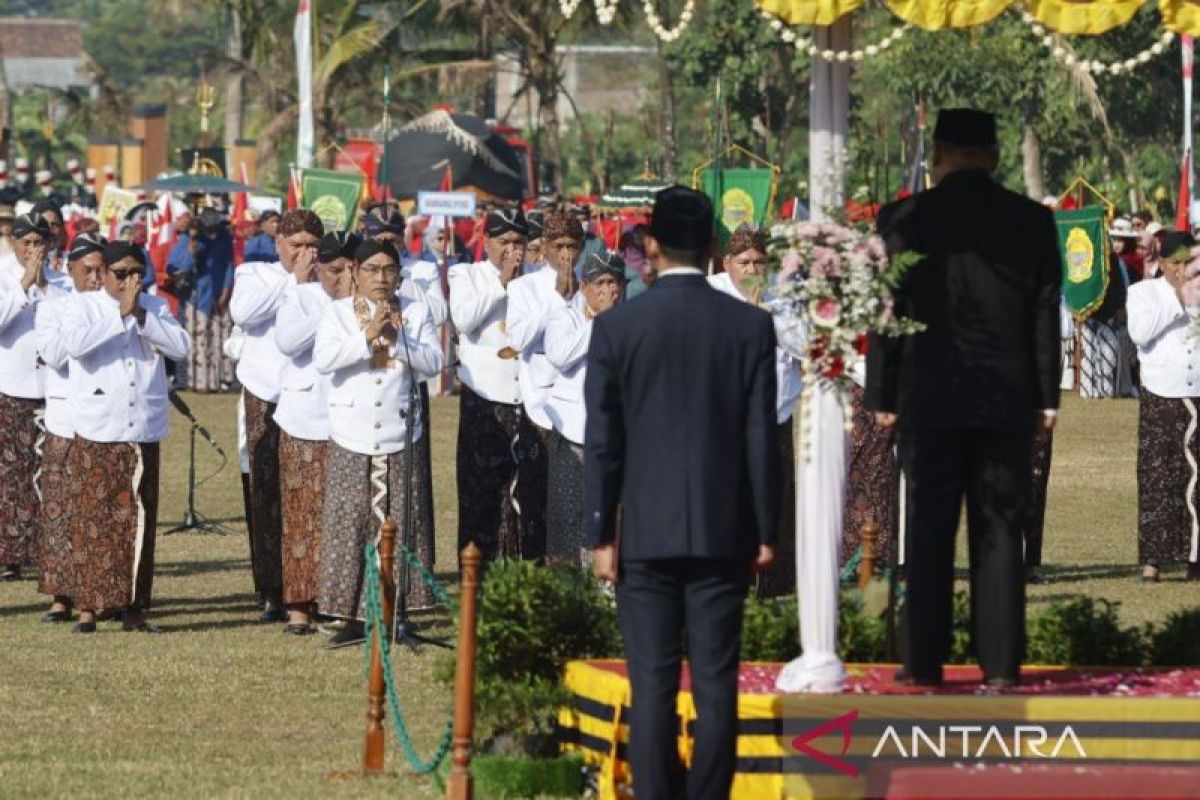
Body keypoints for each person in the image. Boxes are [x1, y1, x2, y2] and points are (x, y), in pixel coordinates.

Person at [584, 187, 779, 800]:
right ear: (716, 249)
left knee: (653, 686)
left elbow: (604, 442)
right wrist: (767, 529)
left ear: (649, 247)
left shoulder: (619, 326)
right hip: (724, 529)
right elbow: (760, 438)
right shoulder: (750, 324)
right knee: (717, 684)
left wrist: (600, 532)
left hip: (644, 529)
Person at [865, 108, 1062, 688]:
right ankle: (1000, 669)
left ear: (937, 154)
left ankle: (922, 663)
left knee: (927, 530)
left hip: (926, 395)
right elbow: (1044, 312)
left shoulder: (904, 216)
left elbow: (885, 309)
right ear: (995, 157)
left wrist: (881, 390)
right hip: (1006, 399)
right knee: (1000, 531)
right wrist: (1047, 397)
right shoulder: (1029, 220)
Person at [313, 239, 443, 648]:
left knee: (401, 522)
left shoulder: (415, 312)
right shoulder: (336, 313)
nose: (381, 278)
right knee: (350, 523)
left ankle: (397, 612)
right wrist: (368, 335)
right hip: (351, 430)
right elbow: (324, 359)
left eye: (389, 269)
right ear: (355, 271)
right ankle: (350, 615)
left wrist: (401, 341)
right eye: (372, 269)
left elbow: (435, 363)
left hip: (399, 429)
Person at [61, 242, 190, 633]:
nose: (130, 281)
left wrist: (141, 315)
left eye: (137, 273)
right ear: (104, 274)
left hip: (142, 429)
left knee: (139, 520)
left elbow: (181, 348)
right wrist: (119, 314)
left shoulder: (156, 308)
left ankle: (134, 608)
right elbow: (75, 347)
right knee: (93, 520)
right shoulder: (82, 306)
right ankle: (88, 607)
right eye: (121, 274)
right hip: (99, 427)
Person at [231, 209, 323, 622]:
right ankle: (271, 588)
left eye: (311, 246)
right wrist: (295, 282)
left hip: (308, 394)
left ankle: (311, 585)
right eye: (296, 245)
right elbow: (244, 314)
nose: (304, 253)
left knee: (307, 495)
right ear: (279, 244)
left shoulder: (328, 280)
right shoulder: (256, 273)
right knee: (265, 490)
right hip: (265, 391)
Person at [708, 226, 804, 596]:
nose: (751, 269)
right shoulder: (713, 293)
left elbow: (804, 344)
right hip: (726, 424)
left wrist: (763, 311)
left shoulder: (781, 294)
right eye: (744, 262)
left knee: (774, 504)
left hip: (775, 419)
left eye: (759, 262)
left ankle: (774, 590)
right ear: (727, 263)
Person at [450, 209, 547, 563]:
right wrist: (502, 283)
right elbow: (463, 319)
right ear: (486, 242)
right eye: (503, 242)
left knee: (528, 495)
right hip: (485, 400)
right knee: (482, 496)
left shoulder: (538, 278)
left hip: (530, 400)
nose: (512, 251)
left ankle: (525, 573)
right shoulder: (468, 274)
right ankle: (478, 581)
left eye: (518, 243)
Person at [362, 204, 445, 608]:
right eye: (377, 237)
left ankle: (413, 588)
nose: (385, 244)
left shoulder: (421, 270)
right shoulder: (358, 267)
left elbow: (439, 316)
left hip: (405, 383)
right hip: (364, 385)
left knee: (411, 486)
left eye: (392, 238)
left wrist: (397, 282)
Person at [273, 231, 356, 635]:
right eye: (331, 270)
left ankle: (335, 599)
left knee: (342, 517)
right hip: (304, 419)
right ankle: (299, 606)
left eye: (346, 270)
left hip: (349, 421)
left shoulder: (364, 304)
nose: (339, 278)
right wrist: (331, 303)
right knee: (301, 517)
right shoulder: (301, 296)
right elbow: (288, 341)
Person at [33, 232, 105, 623]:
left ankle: (99, 593)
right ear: (70, 269)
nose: (95, 278)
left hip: (105, 422)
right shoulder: (54, 308)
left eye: (101, 270)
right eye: (88, 270)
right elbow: (56, 353)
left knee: (97, 510)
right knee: (60, 511)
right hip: (65, 419)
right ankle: (61, 595)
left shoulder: (114, 307)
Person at [543, 251, 625, 568]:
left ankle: (605, 594)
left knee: (610, 515)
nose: (610, 291)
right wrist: (600, 323)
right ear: (584, 285)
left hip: (615, 436)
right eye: (601, 283)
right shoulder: (565, 317)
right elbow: (560, 356)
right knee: (568, 518)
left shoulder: (630, 319)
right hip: (573, 433)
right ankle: (568, 594)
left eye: (615, 283)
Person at [1127, 231, 1200, 583]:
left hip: (1198, 393)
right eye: (1176, 263)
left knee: (1197, 480)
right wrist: (1177, 300)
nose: (1183, 270)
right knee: (1158, 478)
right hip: (1161, 395)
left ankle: (1195, 557)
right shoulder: (1143, 293)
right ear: (1163, 263)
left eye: (1189, 262)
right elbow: (1140, 333)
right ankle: (1153, 560)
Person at [506, 210, 580, 526]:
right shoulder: (525, 287)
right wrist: (555, 297)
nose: (566, 255)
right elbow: (519, 339)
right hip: (539, 406)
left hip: (580, 407)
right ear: (545, 247)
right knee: (537, 502)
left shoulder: (592, 282)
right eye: (559, 246)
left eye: (572, 246)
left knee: (576, 501)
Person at [0, 213, 52, 581]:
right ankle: (10, 553)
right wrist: (23, 285)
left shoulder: (63, 279)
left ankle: (43, 547)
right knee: (11, 472)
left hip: (53, 390)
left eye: (39, 243)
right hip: (11, 386)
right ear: (14, 243)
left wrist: (46, 286)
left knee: (47, 472)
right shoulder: (3, 274)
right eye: (26, 243)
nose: (33, 251)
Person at [168, 207, 236, 392]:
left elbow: (230, 265)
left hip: (219, 296)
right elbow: (180, 268)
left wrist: (225, 291)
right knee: (197, 340)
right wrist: (192, 249)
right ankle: (198, 383)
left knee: (218, 339)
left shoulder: (225, 239)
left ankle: (218, 381)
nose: (213, 229)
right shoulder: (188, 241)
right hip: (196, 297)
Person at [1079, 222, 1133, 398]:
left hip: (1109, 313)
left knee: (1109, 355)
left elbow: (1118, 285)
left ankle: (1107, 391)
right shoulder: (1087, 258)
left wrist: (1120, 306)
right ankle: (1089, 394)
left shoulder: (1113, 259)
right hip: (1088, 314)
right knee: (1089, 356)